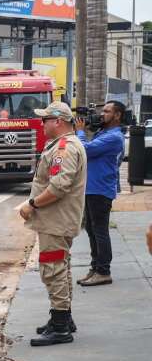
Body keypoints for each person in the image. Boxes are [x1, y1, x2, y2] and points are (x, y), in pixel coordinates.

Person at [19, 102, 86, 347]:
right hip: (58, 219)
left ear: (58, 121)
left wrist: (32, 205)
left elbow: (59, 186)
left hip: (55, 220)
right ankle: (62, 319)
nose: (42, 123)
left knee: (53, 270)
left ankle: (60, 327)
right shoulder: (64, 145)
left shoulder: (65, 147)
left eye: (45, 119)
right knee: (61, 267)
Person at [75, 101, 125, 287]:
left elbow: (85, 150)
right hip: (91, 188)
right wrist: (87, 127)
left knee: (100, 231)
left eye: (106, 111)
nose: (102, 114)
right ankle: (96, 267)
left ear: (117, 115)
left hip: (101, 190)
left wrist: (80, 131)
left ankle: (104, 271)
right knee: (91, 229)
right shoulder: (103, 132)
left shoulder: (114, 137)